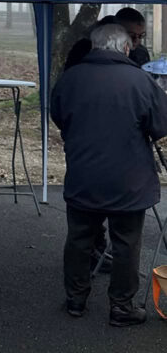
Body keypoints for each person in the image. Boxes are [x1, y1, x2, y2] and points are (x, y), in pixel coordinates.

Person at [51, 23, 167, 326]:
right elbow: (160, 126)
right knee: (126, 242)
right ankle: (121, 306)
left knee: (79, 239)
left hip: (83, 174)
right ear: (126, 48)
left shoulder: (71, 78)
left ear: (93, 46)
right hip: (128, 180)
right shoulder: (140, 82)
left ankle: (75, 300)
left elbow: (58, 116)